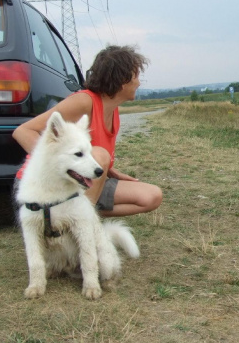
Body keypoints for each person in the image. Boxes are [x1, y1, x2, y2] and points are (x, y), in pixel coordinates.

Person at [13, 45, 163, 217]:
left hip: (82, 183)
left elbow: (90, 157)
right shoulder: (84, 101)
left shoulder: (113, 110)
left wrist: (109, 169)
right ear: (123, 79)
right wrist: (52, 162)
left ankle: (76, 217)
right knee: (100, 155)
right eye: (136, 76)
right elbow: (23, 131)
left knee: (152, 196)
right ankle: (80, 224)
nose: (138, 82)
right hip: (44, 185)